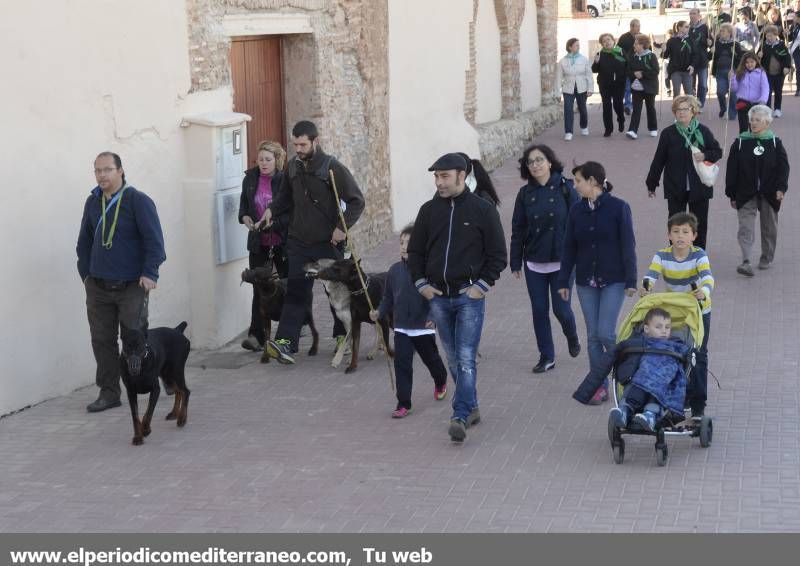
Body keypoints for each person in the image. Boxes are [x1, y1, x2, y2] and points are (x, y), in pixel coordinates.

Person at [407, 153, 507, 443]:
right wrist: (421, 284)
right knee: (452, 356)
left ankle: (460, 414)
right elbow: (415, 253)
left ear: (462, 176)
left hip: (469, 297)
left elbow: (498, 255)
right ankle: (472, 405)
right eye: (436, 177)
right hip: (437, 297)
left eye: (445, 176)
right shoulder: (428, 211)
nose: (439, 182)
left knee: (465, 356)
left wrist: (481, 286)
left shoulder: (483, 210)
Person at [263, 120, 365, 364]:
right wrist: (271, 210)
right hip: (298, 240)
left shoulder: (332, 167)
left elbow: (357, 201)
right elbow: (284, 197)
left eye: (303, 144)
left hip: (326, 242)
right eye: (295, 144)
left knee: (336, 291)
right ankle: (286, 343)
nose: (298, 148)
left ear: (315, 141)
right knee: (296, 291)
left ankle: (343, 336)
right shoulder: (292, 167)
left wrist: (342, 228)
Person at [76, 152, 166, 412]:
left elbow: (155, 242)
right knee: (102, 340)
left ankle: (145, 385)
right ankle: (109, 392)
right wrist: (86, 273)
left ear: (120, 171)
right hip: (98, 286)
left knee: (135, 338)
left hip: (131, 286)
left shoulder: (138, 201)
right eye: (97, 171)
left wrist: (150, 272)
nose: (102, 175)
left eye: (107, 169)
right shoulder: (93, 202)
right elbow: (84, 241)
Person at [558, 161, 637, 406]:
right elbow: (569, 246)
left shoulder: (619, 208)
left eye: (578, 180)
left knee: (606, 332)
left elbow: (628, 244)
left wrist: (632, 279)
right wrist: (563, 280)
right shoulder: (576, 211)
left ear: (593, 181)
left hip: (614, 279)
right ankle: (598, 386)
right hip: (585, 281)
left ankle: (628, 375)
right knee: (592, 336)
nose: (575, 185)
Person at [510, 144, 581, 374]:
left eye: (539, 160)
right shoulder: (525, 194)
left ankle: (571, 335)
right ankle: (547, 356)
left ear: (550, 162)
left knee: (561, 309)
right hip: (534, 261)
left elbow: (580, 223)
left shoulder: (567, 188)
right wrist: (515, 261)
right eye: (530, 162)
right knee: (539, 310)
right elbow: (518, 228)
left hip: (563, 261)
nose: (535, 165)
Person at [369, 224, 448, 418]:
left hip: (423, 327)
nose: (404, 246)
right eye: (402, 242)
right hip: (402, 327)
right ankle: (403, 403)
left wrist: (432, 317)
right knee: (402, 364)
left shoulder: (429, 271)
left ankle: (441, 380)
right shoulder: (394, 271)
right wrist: (379, 312)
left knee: (431, 360)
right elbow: (388, 298)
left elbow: (437, 298)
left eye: (409, 243)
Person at [641, 212, 715, 418]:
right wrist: (645, 287)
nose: (680, 236)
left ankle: (699, 404)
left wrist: (704, 291)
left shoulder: (699, 255)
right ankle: (678, 397)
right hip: (675, 312)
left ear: (694, 236)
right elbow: (651, 275)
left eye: (685, 232)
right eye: (676, 232)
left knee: (697, 355)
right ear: (669, 235)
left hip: (699, 311)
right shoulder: (662, 255)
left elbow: (708, 278)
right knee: (674, 353)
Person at [575, 308, 691, 432]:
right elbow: (606, 360)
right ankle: (624, 411)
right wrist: (586, 391)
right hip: (639, 381)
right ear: (646, 329)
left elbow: (688, 356)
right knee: (636, 384)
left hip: (662, 383)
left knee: (657, 385)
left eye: (667, 327)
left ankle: (650, 415)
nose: (664, 331)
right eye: (658, 327)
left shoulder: (676, 345)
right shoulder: (635, 343)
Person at [645, 95, 723, 250]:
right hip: (675, 186)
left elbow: (717, 152)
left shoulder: (703, 131)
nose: (681, 112)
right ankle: (677, 255)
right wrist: (652, 183)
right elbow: (659, 159)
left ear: (693, 111)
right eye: (678, 110)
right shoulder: (668, 133)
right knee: (676, 223)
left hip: (699, 187)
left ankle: (699, 256)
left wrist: (705, 155)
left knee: (699, 223)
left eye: (685, 109)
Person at [725, 104, 790, 276]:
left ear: (767, 123)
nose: (753, 123)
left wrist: (781, 188)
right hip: (745, 192)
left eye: (758, 120)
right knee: (745, 227)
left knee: (769, 227)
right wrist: (731, 193)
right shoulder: (740, 142)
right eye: (752, 120)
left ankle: (766, 257)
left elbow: (783, 168)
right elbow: (732, 169)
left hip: (769, 192)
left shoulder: (775, 142)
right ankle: (746, 261)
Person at [238, 140, 288, 351]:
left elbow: (290, 212)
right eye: (260, 159)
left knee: (286, 286)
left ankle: (287, 332)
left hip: (282, 241)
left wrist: (274, 223)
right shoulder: (250, 178)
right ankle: (256, 336)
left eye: (268, 159)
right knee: (258, 287)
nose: (263, 164)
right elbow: (243, 207)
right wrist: (246, 218)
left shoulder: (285, 180)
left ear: (277, 160)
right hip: (258, 241)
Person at [557, 38, 594, 141]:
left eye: (579, 45)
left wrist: (590, 88)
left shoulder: (584, 59)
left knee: (582, 108)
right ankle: (568, 132)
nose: (579, 47)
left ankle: (584, 126)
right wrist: (557, 92)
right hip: (568, 88)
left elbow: (589, 74)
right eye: (576, 45)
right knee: (568, 109)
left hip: (582, 87)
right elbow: (558, 77)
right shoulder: (562, 61)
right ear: (570, 47)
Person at [592, 33, 628, 137]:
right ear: (602, 44)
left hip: (618, 83)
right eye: (604, 41)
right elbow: (594, 70)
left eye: (608, 39)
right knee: (606, 106)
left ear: (613, 40)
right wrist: (596, 62)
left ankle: (621, 119)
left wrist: (624, 78)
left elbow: (627, 65)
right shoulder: (600, 54)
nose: (607, 42)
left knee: (618, 104)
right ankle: (608, 129)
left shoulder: (620, 51)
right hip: (604, 84)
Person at [625, 34, 660, 139]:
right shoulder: (633, 57)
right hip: (636, 88)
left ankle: (653, 128)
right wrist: (633, 74)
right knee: (636, 109)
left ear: (642, 45)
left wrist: (643, 74)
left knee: (650, 108)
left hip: (650, 87)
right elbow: (629, 70)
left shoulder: (651, 56)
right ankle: (633, 131)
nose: (634, 46)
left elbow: (655, 71)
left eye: (636, 44)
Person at [712, 23, 746, 119]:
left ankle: (732, 113)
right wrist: (711, 51)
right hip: (720, 71)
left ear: (729, 33)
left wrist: (736, 69)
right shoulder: (717, 44)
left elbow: (740, 59)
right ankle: (723, 108)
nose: (721, 33)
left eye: (724, 31)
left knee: (733, 93)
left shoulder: (735, 44)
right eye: (721, 31)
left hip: (732, 71)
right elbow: (710, 57)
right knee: (720, 92)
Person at [731, 51, 770, 133]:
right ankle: (743, 143)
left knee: (754, 128)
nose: (749, 64)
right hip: (742, 102)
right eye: (747, 62)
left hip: (756, 104)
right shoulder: (740, 73)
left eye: (752, 62)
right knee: (743, 128)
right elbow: (734, 89)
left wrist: (763, 100)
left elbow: (765, 88)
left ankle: (754, 144)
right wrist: (732, 79)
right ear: (744, 63)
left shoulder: (761, 73)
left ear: (756, 62)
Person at [759, 25, 792, 116]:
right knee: (768, 91)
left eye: (771, 36)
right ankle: (768, 109)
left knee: (778, 91)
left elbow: (787, 58)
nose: (768, 38)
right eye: (767, 36)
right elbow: (757, 60)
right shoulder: (763, 46)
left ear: (775, 35)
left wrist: (787, 67)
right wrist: (759, 55)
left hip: (779, 73)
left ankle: (777, 109)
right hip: (767, 73)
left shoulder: (781, 45)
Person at [664, 20, 696, 97]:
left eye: (688, 27)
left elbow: (695, 55)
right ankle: (676, 109)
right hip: (675, 70)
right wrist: (664, 50)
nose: (688, 28)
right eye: (686, 27)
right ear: (680, 28)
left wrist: (692, 65)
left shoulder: (691, 40)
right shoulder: (672, 41)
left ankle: (689, 109)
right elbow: (665, 55)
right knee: (676, 92)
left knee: (689, 94)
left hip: (687, 71)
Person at [689, 8, 712, 110]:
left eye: (694, 13)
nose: (692, 15)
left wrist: (710, 43)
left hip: (702, 60)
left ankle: (700, 104)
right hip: (690, 61)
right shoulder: (687, 27)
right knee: (691, 84)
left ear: (699, 15)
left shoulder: (704, 27)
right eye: (690, 14)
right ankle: (693, 104)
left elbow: (711, 41)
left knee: (702, 85)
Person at [618, 19, 641, 115]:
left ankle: (635, 105)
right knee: (627, 88)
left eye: (639, 26)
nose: (639, 28)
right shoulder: (624, 37)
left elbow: (648, 49)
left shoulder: (642, 36)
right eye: (637, 26)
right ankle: (627, 105)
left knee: (637, 88)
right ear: (631, 26)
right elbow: (617, 50)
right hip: (627, 67)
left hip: (639, 67)